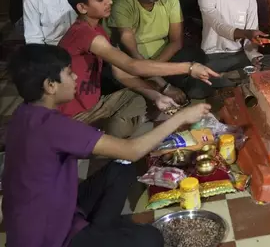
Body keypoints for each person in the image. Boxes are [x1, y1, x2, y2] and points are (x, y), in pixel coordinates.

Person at [3, 43, 213, 247]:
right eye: (69, 73)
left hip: (57, 209)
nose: (75, 77)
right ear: (50, 85)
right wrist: (182, 116)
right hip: (50, 237)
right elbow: (132, 150)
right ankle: (98, 234)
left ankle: (101, 230)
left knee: (120, 168)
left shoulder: (24, 114)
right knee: (151, 239)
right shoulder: (53, 127)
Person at [59, 0, 218, 138]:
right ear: (82, 7)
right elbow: (132, 66)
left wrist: (156, 95)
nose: (110, 2)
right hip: (74, 116)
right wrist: (188, 67)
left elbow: (120, 72)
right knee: (131, 120)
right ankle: (103, 140)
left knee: (145, 95)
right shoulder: (82, 33)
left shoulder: (96, 29)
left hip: (96, 105)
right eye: (101, 0)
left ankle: (113, 131)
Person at [108, 0, 209, 102]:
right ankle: (156, 87)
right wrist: (164, 85)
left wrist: (155, 68)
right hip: (133, 63)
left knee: (196, 54)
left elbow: (176, 42)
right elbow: (132, 52)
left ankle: (157, 84)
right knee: (122, 72)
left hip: (162, 59)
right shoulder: (123, 3)